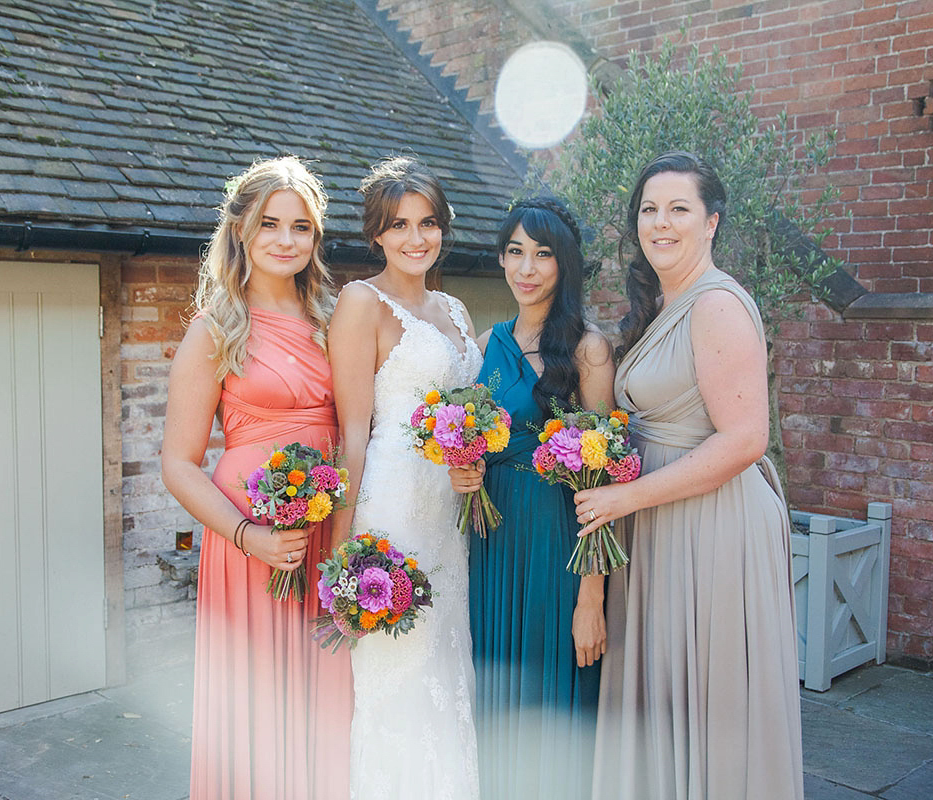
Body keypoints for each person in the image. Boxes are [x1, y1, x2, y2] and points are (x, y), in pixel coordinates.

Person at [574, 152, 804, 800]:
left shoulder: (716, 304)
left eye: (679, 208)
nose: (661, 222)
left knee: (709, 702)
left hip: (712, 530)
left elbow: (745, 439)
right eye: (650, 209)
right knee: (667, 699)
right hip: (661, 524)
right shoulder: (662, 306)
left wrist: (625, 496)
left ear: (711, 222)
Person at [161, 156, 352, 800]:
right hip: (251, 541)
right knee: (259, 695)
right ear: (241, 230)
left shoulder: (334, 321)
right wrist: (249, 535)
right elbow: (179, 465)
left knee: (324, 687)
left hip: (326, 527)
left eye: (302, 227)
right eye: (270, 224)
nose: (286, 240)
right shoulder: (215, 328)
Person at [328, 156, 482, 799]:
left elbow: (468, 414)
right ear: (377, 235)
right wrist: (342, 550)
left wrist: (471, 461)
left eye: (428, 223)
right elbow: (353, 432)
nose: (416, 238)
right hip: (391, 510)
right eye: (399, 225)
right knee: (398, 675)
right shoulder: (361, 302)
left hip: (450, 515)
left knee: (445, 663)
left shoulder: (456, 308)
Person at [449, 197, 613, 799]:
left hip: (555, 544)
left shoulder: (587, 348)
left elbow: (604, 480)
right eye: (515, 251)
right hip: (492, 546)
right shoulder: (487, 345)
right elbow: (470, 436)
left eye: (543, 254)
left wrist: (591, 597)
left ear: (564, 263)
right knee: (499, 705)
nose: (527, 267)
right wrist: (459, 470)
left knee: (551, 704)